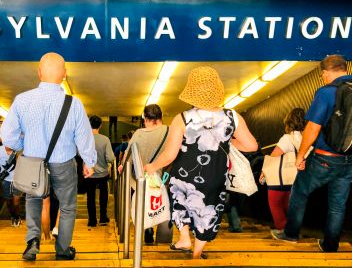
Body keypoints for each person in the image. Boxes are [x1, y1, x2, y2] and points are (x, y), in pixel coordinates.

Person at [144, 67, 258, 259]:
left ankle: (184, 237)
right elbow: (251, 145)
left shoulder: (182, 119)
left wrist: (151, 167)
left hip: (183, 176)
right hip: (215, 176)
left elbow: (170, 154)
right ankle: (197, 253)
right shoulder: (233, 117)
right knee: (209, 210)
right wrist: (226, 142)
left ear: (192, 93)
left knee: (179, 202)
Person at [1, 52, 96, 261]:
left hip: (32, 162)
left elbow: (7, 136)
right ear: (64, 75)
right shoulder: (74, 103)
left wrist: (23, 145)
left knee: (34, 199)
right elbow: (84, 136)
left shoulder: (22, 100)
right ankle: (62, 249)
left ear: (39, 73)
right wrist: (89, 162)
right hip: (63, 163)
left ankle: (32, 241)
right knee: (67, 206)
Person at [271, 55, 352, 252]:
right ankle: (330, 245)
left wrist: (300, 156)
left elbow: (312, 128)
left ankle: (290, 234)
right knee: (338, 205)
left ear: (326, 73)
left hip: (325, 157)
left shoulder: (326, 92)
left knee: (299, 191)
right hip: (349, 161)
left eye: (323, 75)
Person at [118, 104, 171, 244]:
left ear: (146, 119)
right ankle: (164, 239)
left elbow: (127, 158)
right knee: (164, 204)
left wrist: (122, 166)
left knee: (146, 202)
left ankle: (147, 228)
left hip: (143, 178)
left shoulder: (139, 134)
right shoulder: (170, 131)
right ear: (161, 117)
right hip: (164, 177)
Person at [260, 108, 306, 232]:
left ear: (289, 122)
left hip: (281, 181)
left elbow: (274, 156)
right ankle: (293, 231)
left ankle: (284, 232)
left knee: (276, 206)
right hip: (300, 179)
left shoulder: (288, 138)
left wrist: (264, 172)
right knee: (291, 208)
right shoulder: (309, 137)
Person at [87, 115, 114, 227]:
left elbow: (79, 154)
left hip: (89, 174)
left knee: (90, 197)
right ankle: (103, 217)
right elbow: (110, 158)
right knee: (103, 196)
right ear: (100, 125)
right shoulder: (105, 139)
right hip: (103, 173)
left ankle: (92, 220)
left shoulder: (85, 139)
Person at [0, 145, 22, 227]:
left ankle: (17, 217)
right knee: (9, 202)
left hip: (19, 180)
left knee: (16, 202)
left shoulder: (19, 149)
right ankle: (13, 216)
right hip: (5, 181)